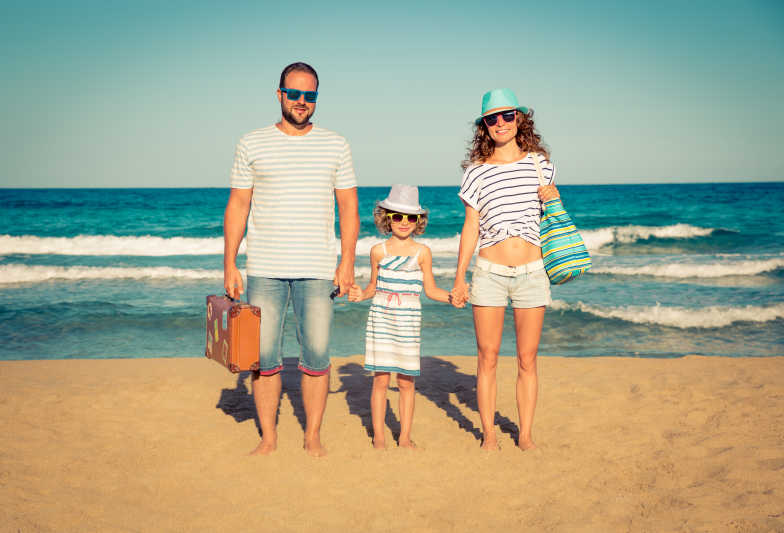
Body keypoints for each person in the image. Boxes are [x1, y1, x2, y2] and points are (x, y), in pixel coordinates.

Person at [223, 62, 359, 457]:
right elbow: (238, 204)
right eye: (295, 94)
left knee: (316, 356)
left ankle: (312, 435)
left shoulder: (336, 144)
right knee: (263, 359)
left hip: (317, 269)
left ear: (316, 98)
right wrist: (229, 262)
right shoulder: (251, 143)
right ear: (280, 94)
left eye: (310, 95)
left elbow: (349, 207)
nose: (302, 102)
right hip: (264, 268)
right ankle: (268, 438)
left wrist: (347, 261)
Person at [451, 88, 560, 451]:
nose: (500, 123)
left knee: (527, 359)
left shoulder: (540, 164)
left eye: (507, 116)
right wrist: (460, 276)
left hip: (531, 271)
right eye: (492, 118)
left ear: (519, 119)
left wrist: (555, 198)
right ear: (484, 125)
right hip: (490, 273)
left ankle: (525, 434)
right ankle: (489, 434)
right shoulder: (476, 173)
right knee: (488, 357)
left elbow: (553, 216)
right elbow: (471, 227)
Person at [348, 184, 458, 449]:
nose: (404, 222)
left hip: (408, 323)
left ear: (419, 221)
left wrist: (452, 297)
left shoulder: (423, 253)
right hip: (381, 320)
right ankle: (379, 436)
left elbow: (430, 290)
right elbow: (372, 288)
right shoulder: (378, 251)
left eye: (411, 217)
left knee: (407, 382)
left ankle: (405, 436)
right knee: (381, 381)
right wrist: (358, 295)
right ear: (387, 218)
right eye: (398, 216)